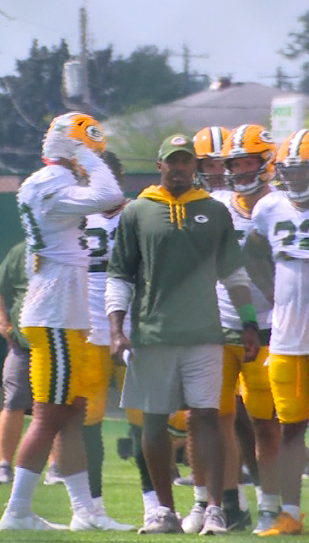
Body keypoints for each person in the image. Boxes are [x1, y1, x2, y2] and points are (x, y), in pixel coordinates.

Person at [108, 133, 260, 535]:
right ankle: (161, 510)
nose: (179, 168)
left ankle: (214, 509)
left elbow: (233, 273)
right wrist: (116, 329)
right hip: (151, 333)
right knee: (154, 423)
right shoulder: (137, 211)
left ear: (195, 166)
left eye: (185, 161)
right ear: (159, 165)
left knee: (206, 418)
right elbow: (120, 274)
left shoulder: (214, 210)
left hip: (204, 333)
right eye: (171, 161)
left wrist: (247, 322)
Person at [0, 112, 126, 532]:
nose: (90, 159)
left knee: (71, 412)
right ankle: (16, 511)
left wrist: (79, 152)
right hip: (52, 311)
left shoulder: (47, 182)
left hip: (61, 310)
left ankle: (84, 513)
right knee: (49, 415)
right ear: (71, 147)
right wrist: (86, 155)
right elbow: (109, 194)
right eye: (86, 150)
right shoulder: (51, 184)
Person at [178, 124, 280, 534]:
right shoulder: (214, 204)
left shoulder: (282, 208)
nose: (237, 171)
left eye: (245, 163)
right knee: (210, 419)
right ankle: (223, 505)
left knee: (267, 423)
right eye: (232, 164)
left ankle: (272, 506)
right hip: (217, 326)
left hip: (272, 326)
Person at [249, 129, 309, 535]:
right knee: (290, 426)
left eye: (302, 170)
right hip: (288, 335)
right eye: (288, 170)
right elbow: (251, 250)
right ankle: (290, 512)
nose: (293, 178)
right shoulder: (269, 206)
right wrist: (270, 289)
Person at [78, 151, 133, 529]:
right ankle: (92, 508)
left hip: (136, 327)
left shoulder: (140, 212)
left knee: (150, 419)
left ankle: (156, 506)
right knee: (88, 422)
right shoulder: (73, 216)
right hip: (89, 329)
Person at [0, 239, 31, 486]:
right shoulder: (22, 250)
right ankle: (5, 465)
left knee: (60, 406)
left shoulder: (75, 246)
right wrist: (2, 322)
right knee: (13, 402)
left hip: (64, 342)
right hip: (24, 344)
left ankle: (58, 467)